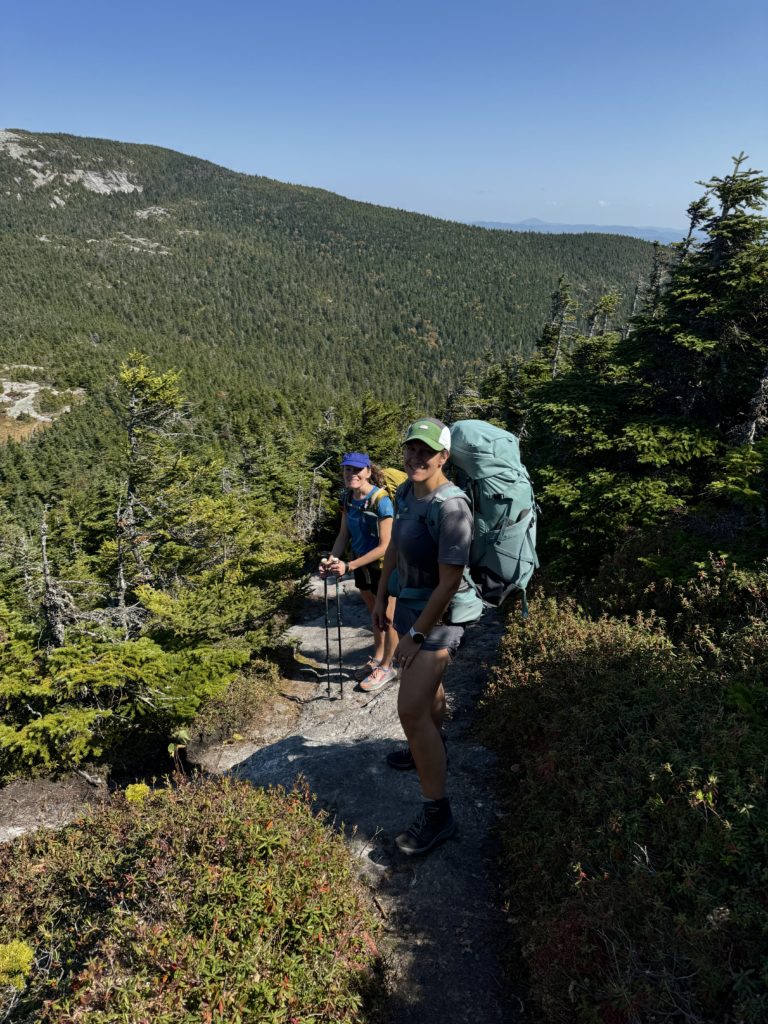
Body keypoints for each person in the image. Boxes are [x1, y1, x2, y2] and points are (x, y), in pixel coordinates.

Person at [373, 418, 473, 855]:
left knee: (410, 712)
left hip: (441, 617)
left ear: (443, 458)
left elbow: (449, 583)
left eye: (426, 452)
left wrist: (414, 633)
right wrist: (382, 598)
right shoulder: (405, 493)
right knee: (426, 698)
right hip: (411, 604)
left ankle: (439, 815)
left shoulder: (452, 508)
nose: (416, 458)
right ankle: (433, 746)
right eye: (411, 449)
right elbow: (393, 548)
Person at [320, 452, 399, 692]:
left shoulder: (381, 500)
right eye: (347, 470)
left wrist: (349, 566)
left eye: (356, 470)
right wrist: (332, 559)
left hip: (385, 567)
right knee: (373, 612)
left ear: (367, 471)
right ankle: (377, 657)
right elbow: (344, 534)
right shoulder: (347, 498)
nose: (351, 474)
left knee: (388, 616)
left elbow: (386, 546)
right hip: (361, 564)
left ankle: (387, 666)